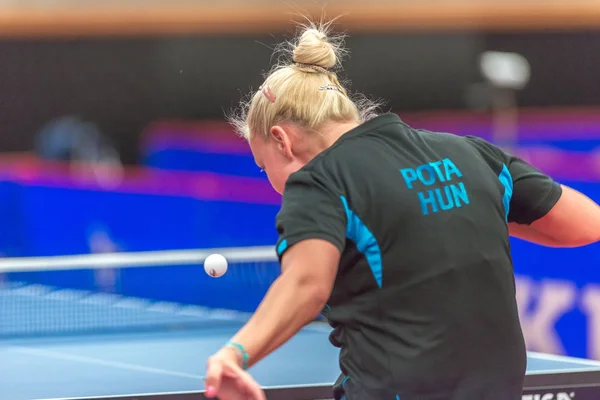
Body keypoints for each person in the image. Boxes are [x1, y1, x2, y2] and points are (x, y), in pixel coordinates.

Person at [204, 21, 600, 400]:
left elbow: (306, 284)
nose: (271, 181)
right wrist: (459, 210)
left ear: (282, 140)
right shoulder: (469, 153)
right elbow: (586, 224)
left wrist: (235, 353)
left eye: (263, 165)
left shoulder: (320, 181)